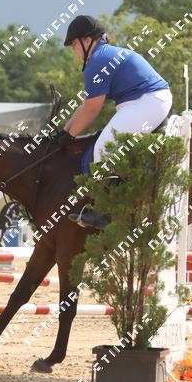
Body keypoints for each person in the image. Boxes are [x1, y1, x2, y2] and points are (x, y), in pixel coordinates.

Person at [56, 15, 172, 229]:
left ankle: (107, 214)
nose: (74, 50)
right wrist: (64, 131)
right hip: (143, 101)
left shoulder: (98, 61)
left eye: (74, 44)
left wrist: (70, 136)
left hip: (148, 101)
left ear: (87, 40)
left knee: (104, 147)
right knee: (105, 145)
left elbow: (92, 110)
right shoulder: (102, 56)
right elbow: (86, 105)